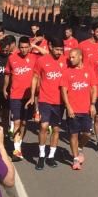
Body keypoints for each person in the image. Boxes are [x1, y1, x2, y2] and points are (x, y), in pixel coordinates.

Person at [32, 37, 66, 170]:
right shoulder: (41, 61)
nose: (59, 52)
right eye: (57, 49)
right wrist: (32, 96)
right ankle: (41, 155)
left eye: (61, 50)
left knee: (56, 129)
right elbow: (35, 77)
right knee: (44, 126)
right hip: (44, 99)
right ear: (50, 47)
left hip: (60, 101)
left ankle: (51, 156)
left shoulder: (65, 61)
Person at [61, 48, 96, 171]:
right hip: (73, 110)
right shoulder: (67, 72)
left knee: (87, 133)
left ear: (80, 57)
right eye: (70, 57)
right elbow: (64, 91)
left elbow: (94, 88)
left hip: (86, 109)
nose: (70, 59)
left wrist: (93, 104)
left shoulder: (89, 71)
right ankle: (75, 159)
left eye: (73, 57)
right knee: (73, 135)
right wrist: (68, 107)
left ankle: (80, 147)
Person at [6, 36, 38, 159]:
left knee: (24, 123)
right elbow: (8, 75)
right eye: (21, 47)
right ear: (18, 47)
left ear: (29, 47)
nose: (24, 50)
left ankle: (19, 143)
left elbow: (37, 76)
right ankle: (17, 149)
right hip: (15, 95)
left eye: (26, 47)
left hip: (28, 96)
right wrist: (5, 89)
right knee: (17, 122)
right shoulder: (12, 58)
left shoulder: (35, 59)